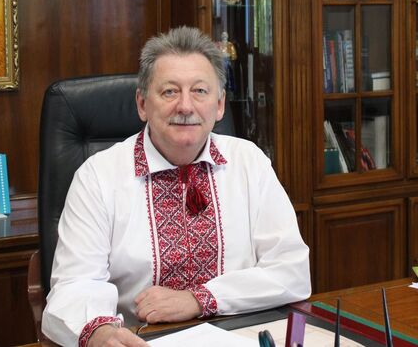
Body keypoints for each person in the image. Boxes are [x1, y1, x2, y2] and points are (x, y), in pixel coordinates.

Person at [41, 26, 311, 347]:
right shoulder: (98, 176)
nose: (185, 106)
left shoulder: (249, 162)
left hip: (239, 336)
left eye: (200, 91)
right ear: (142, 104)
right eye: (170, 92)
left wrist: (200, 299)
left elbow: (292, 271)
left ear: (219, 105)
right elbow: (74, 284)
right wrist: (99, 334)